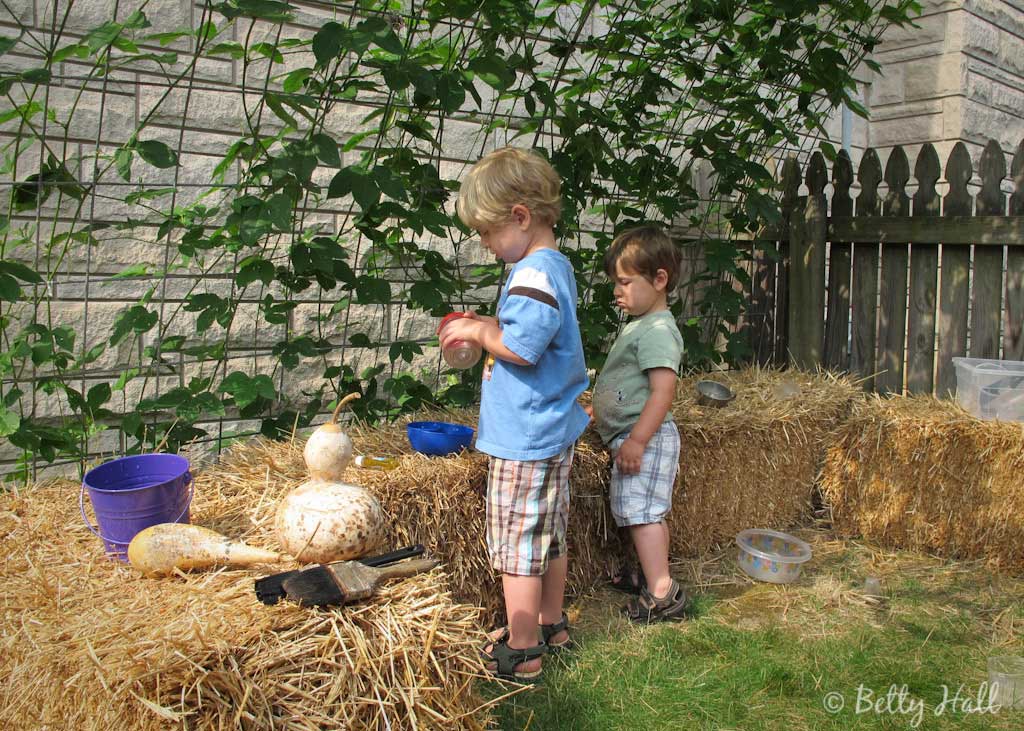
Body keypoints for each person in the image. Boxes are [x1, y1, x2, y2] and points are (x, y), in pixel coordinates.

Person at [438, 147, 590, 682]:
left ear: (521, 217)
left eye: (486, 231)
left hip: (525, 435)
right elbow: (531, 333)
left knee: (517, 545)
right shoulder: (554, 268)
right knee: (549, 536)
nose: (483, 243)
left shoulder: (531, 274)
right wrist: (488, 323)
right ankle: (551, 624)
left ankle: (523, 648)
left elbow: (522, 348)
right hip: (550, 428)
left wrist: (481, 332)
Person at [589, 225, 689, 624]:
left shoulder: (660, 331)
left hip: (644, 438)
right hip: (636, 435)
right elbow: (631, 385)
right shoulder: (642, 325)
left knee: (642, 513)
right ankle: (652, 578)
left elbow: (662, 393)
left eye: (625, 282)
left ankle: (663, 593)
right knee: (647, 511)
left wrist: (636, 440)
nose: (617, 291)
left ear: (660, 279)